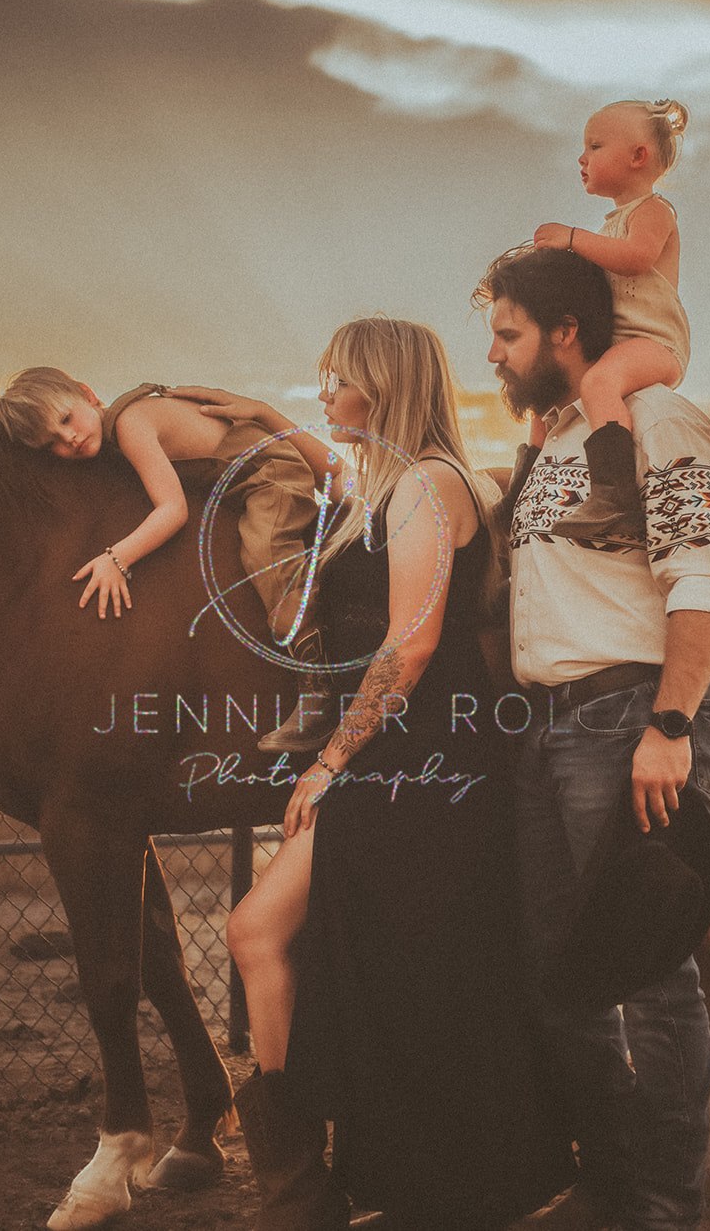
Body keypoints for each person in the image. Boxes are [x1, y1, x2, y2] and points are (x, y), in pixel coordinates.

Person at [196, 317, 574, 1230]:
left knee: (264, 932)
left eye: (339, 379)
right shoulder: (399, 487)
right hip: (412, 758)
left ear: (385, 386)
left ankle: (310, 1194)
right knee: (354, 960)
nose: (323, 392)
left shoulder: (425, 488)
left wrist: (329, 759)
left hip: (417, 760)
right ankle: (323, 1188)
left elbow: (413, 645)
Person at [475, 245, 710, 1231]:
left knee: (646, 971)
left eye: (507, 335)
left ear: (565, 333)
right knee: (561, 968)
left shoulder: (663, 421)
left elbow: (703, 577)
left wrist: (669, 724)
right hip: (549, 725)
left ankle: (666, 1207)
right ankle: (611, 1178)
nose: (494, 355)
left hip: (632, 714)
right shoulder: (550, 446)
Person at [0, 366, 334, 751]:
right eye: (52, 443)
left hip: (271, 475)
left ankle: (316, 683)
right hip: (238, 482)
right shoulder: (118, 433)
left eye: (66, 419)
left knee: (264, 551)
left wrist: (117, 557)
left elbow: (173, 510)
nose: (69, 438)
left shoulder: (131, 425)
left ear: (86, 393)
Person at [529, 98, 691, 544]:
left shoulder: (654, 212)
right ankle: (528, 474)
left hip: (654, 343)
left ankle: (614, 496)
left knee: (599, 384)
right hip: (617, 344)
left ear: (638, 156)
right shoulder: (609, 227)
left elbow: (636, 259)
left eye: (595, 146)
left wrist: (572, 239)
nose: (582, 157)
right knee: (549, 393)